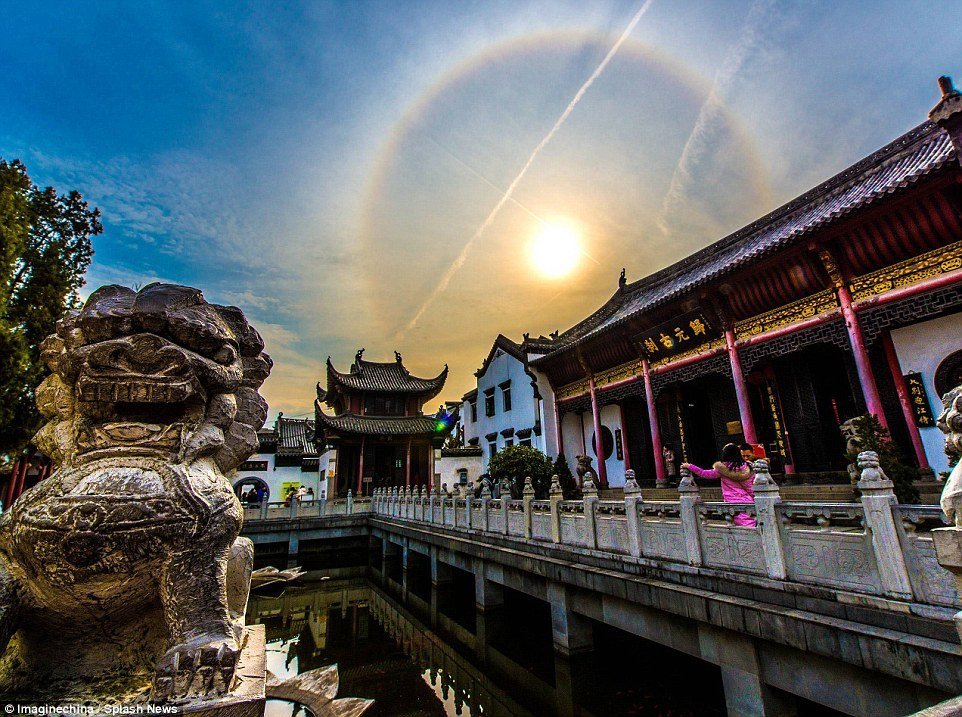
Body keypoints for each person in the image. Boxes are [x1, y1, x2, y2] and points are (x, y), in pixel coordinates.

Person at [682, 443, 756, 527]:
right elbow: (750, 485)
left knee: (742, 526)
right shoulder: (748, 467)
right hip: (748, 500)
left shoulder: (722, 469)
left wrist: (690, 466)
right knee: (751, 522)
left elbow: (704, 473)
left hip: (732, 502)